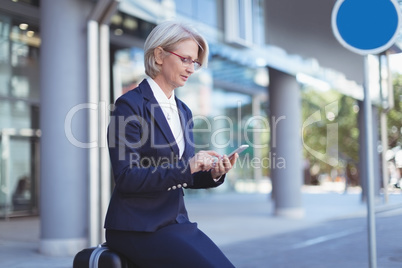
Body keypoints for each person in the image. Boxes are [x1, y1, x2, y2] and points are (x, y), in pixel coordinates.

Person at [104, 20, 238, 268]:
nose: (191, 68)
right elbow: (126, 177)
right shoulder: (130, 106)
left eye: (195, 62)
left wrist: (212, 174)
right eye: (185, 59)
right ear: (159, 55)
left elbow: (183, 175)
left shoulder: (184, 111)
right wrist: (187, 168)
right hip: (137, 226)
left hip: (175, 222)